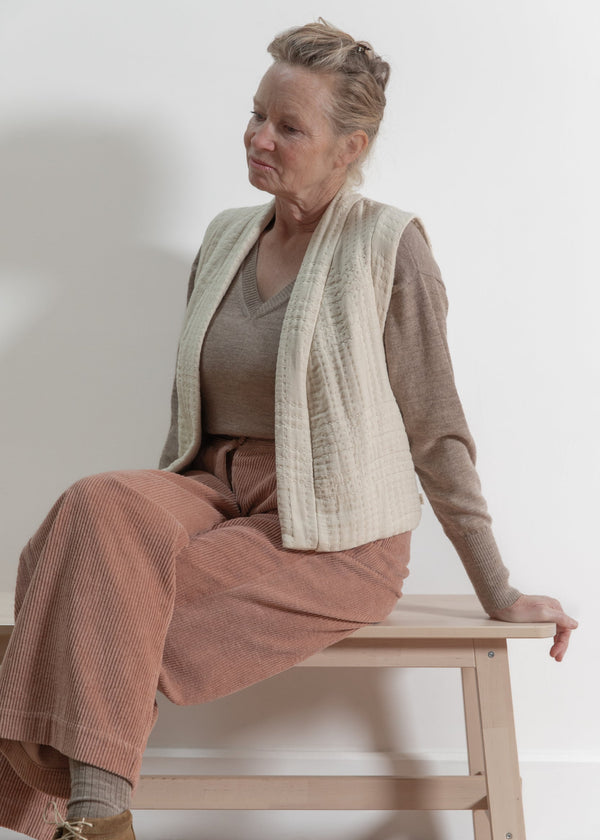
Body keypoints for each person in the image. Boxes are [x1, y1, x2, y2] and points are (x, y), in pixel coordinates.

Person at [0, 19, 578, 840]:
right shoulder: (226, 236)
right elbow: (189, 418)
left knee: (100, 598)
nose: (258, 136)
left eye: (289, 126)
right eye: (256, 113)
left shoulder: (390, 246)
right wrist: (140, 531)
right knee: (95, 509)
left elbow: (436, 429)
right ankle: (90, 808)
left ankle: (87, 814)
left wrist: (499, 587)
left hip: (333, 535)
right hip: (210, 485)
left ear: (350, 147)